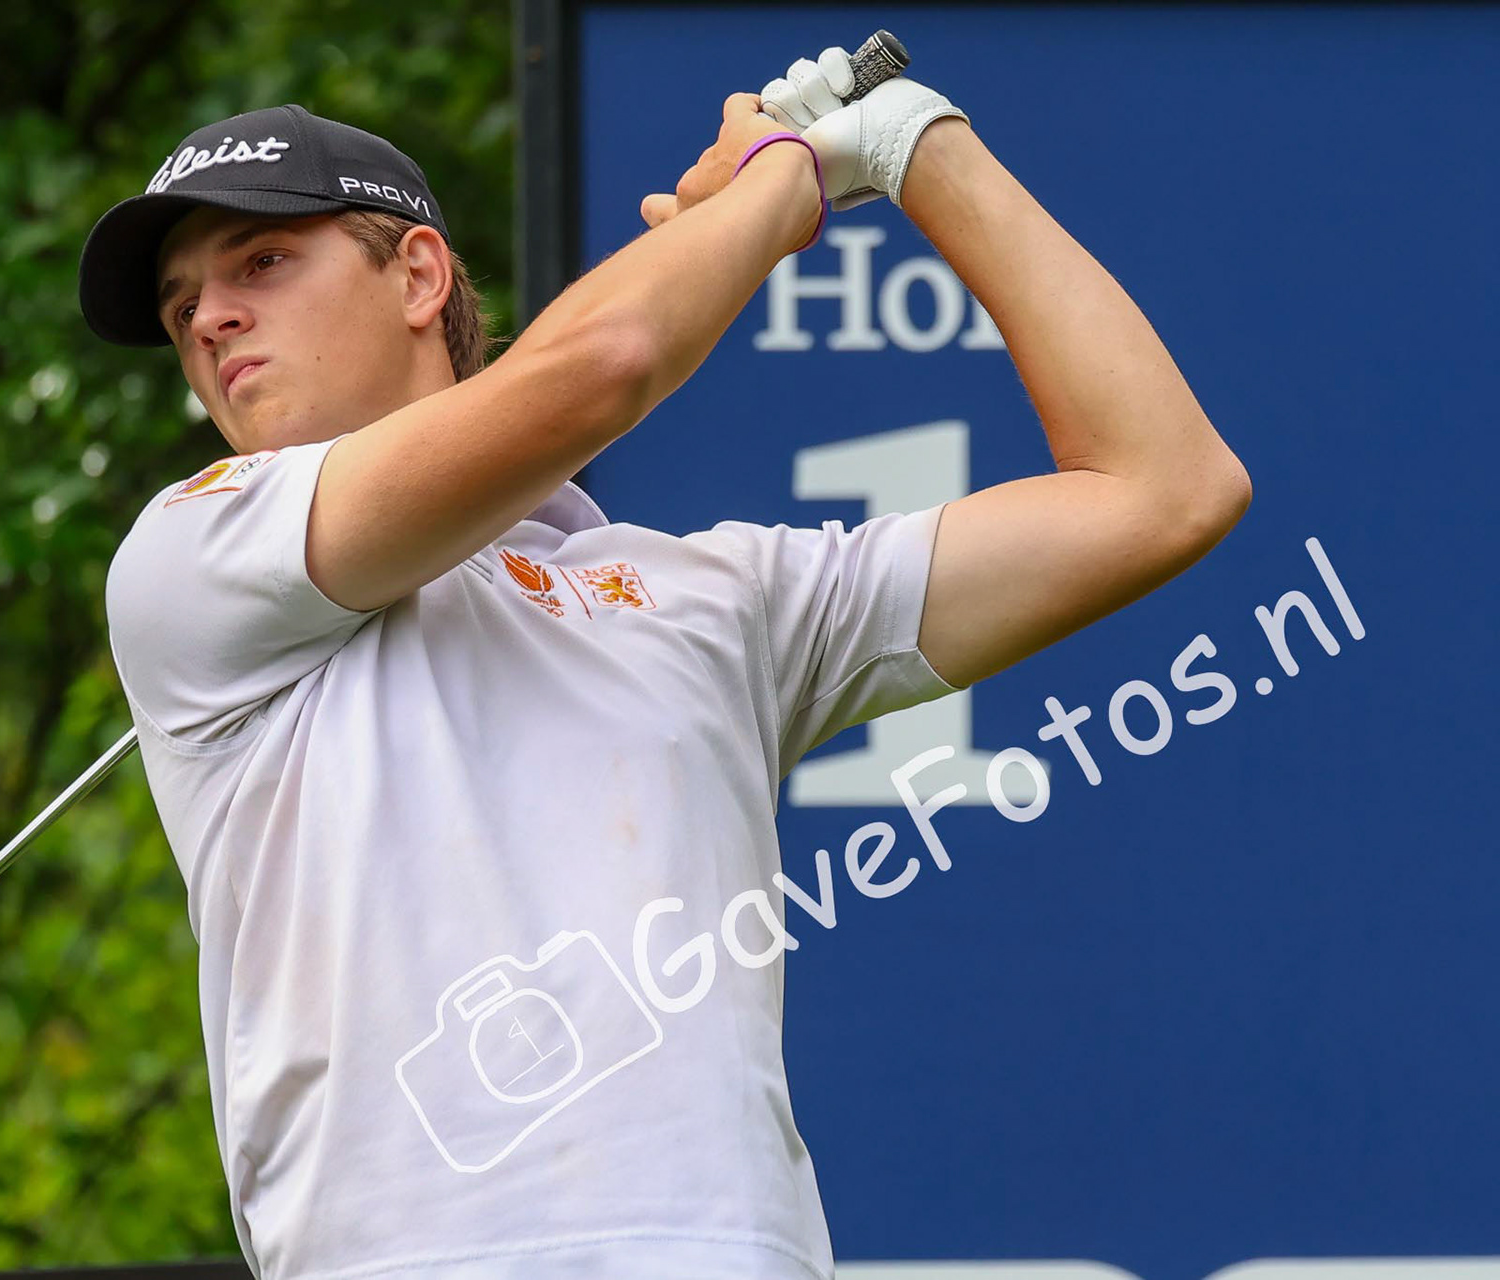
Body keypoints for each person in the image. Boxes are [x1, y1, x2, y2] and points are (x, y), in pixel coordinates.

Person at [76, 52, 1248, 1280]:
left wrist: (914, 148)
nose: (207, 319)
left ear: (418, 275)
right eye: (179, 305)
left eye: (261, 263)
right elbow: (601, 366)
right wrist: (776, 182)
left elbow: (1164, 487)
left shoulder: (715, 597)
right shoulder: (193, 552)